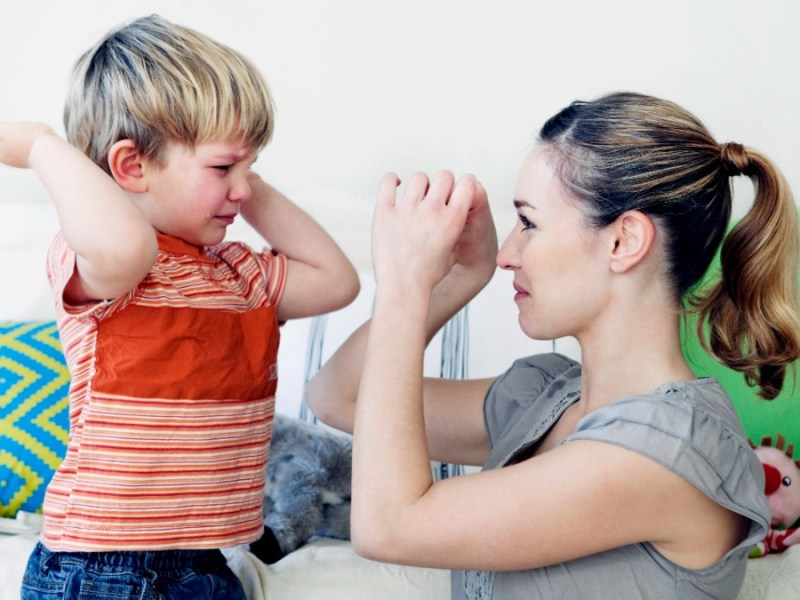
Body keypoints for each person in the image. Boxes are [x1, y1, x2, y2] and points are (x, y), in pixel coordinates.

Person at [305, 91, 800, 599]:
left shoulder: (667, 452)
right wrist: (457, 278)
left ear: (623, 241)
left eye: (529, 223)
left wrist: (404, 287)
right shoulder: (550, 394)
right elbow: (335, 397)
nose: (507, 254)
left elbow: (387, 526)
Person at [0, 14, 359, 600]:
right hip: (101, 568)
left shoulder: (240, 274)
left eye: (251, 167)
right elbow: (125, 242)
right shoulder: (107, 264)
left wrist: (240, 174)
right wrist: (42, 146)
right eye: (223, 168)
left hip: (207, 562)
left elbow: (336, 282)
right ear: (131, 167)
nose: (242, 190)